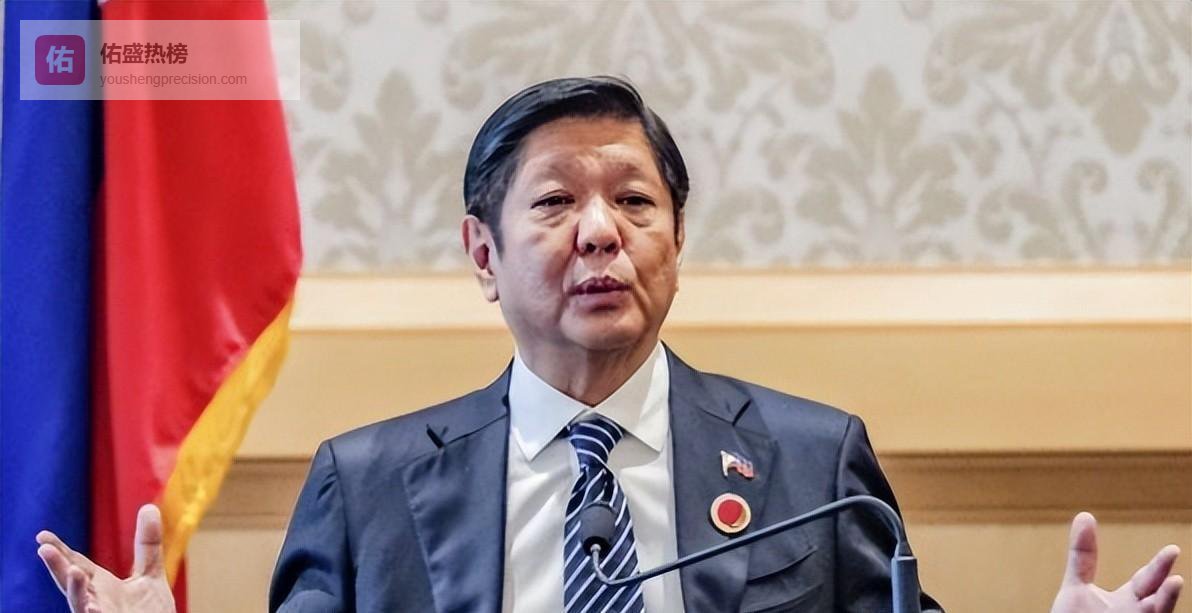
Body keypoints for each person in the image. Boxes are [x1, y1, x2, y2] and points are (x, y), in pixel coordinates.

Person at [37, 77, 1183, 613]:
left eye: (635, 201)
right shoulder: (368, 483)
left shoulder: (811, 462)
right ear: (482, 255)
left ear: (676, 241)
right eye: (554, 203)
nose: (600, 231)